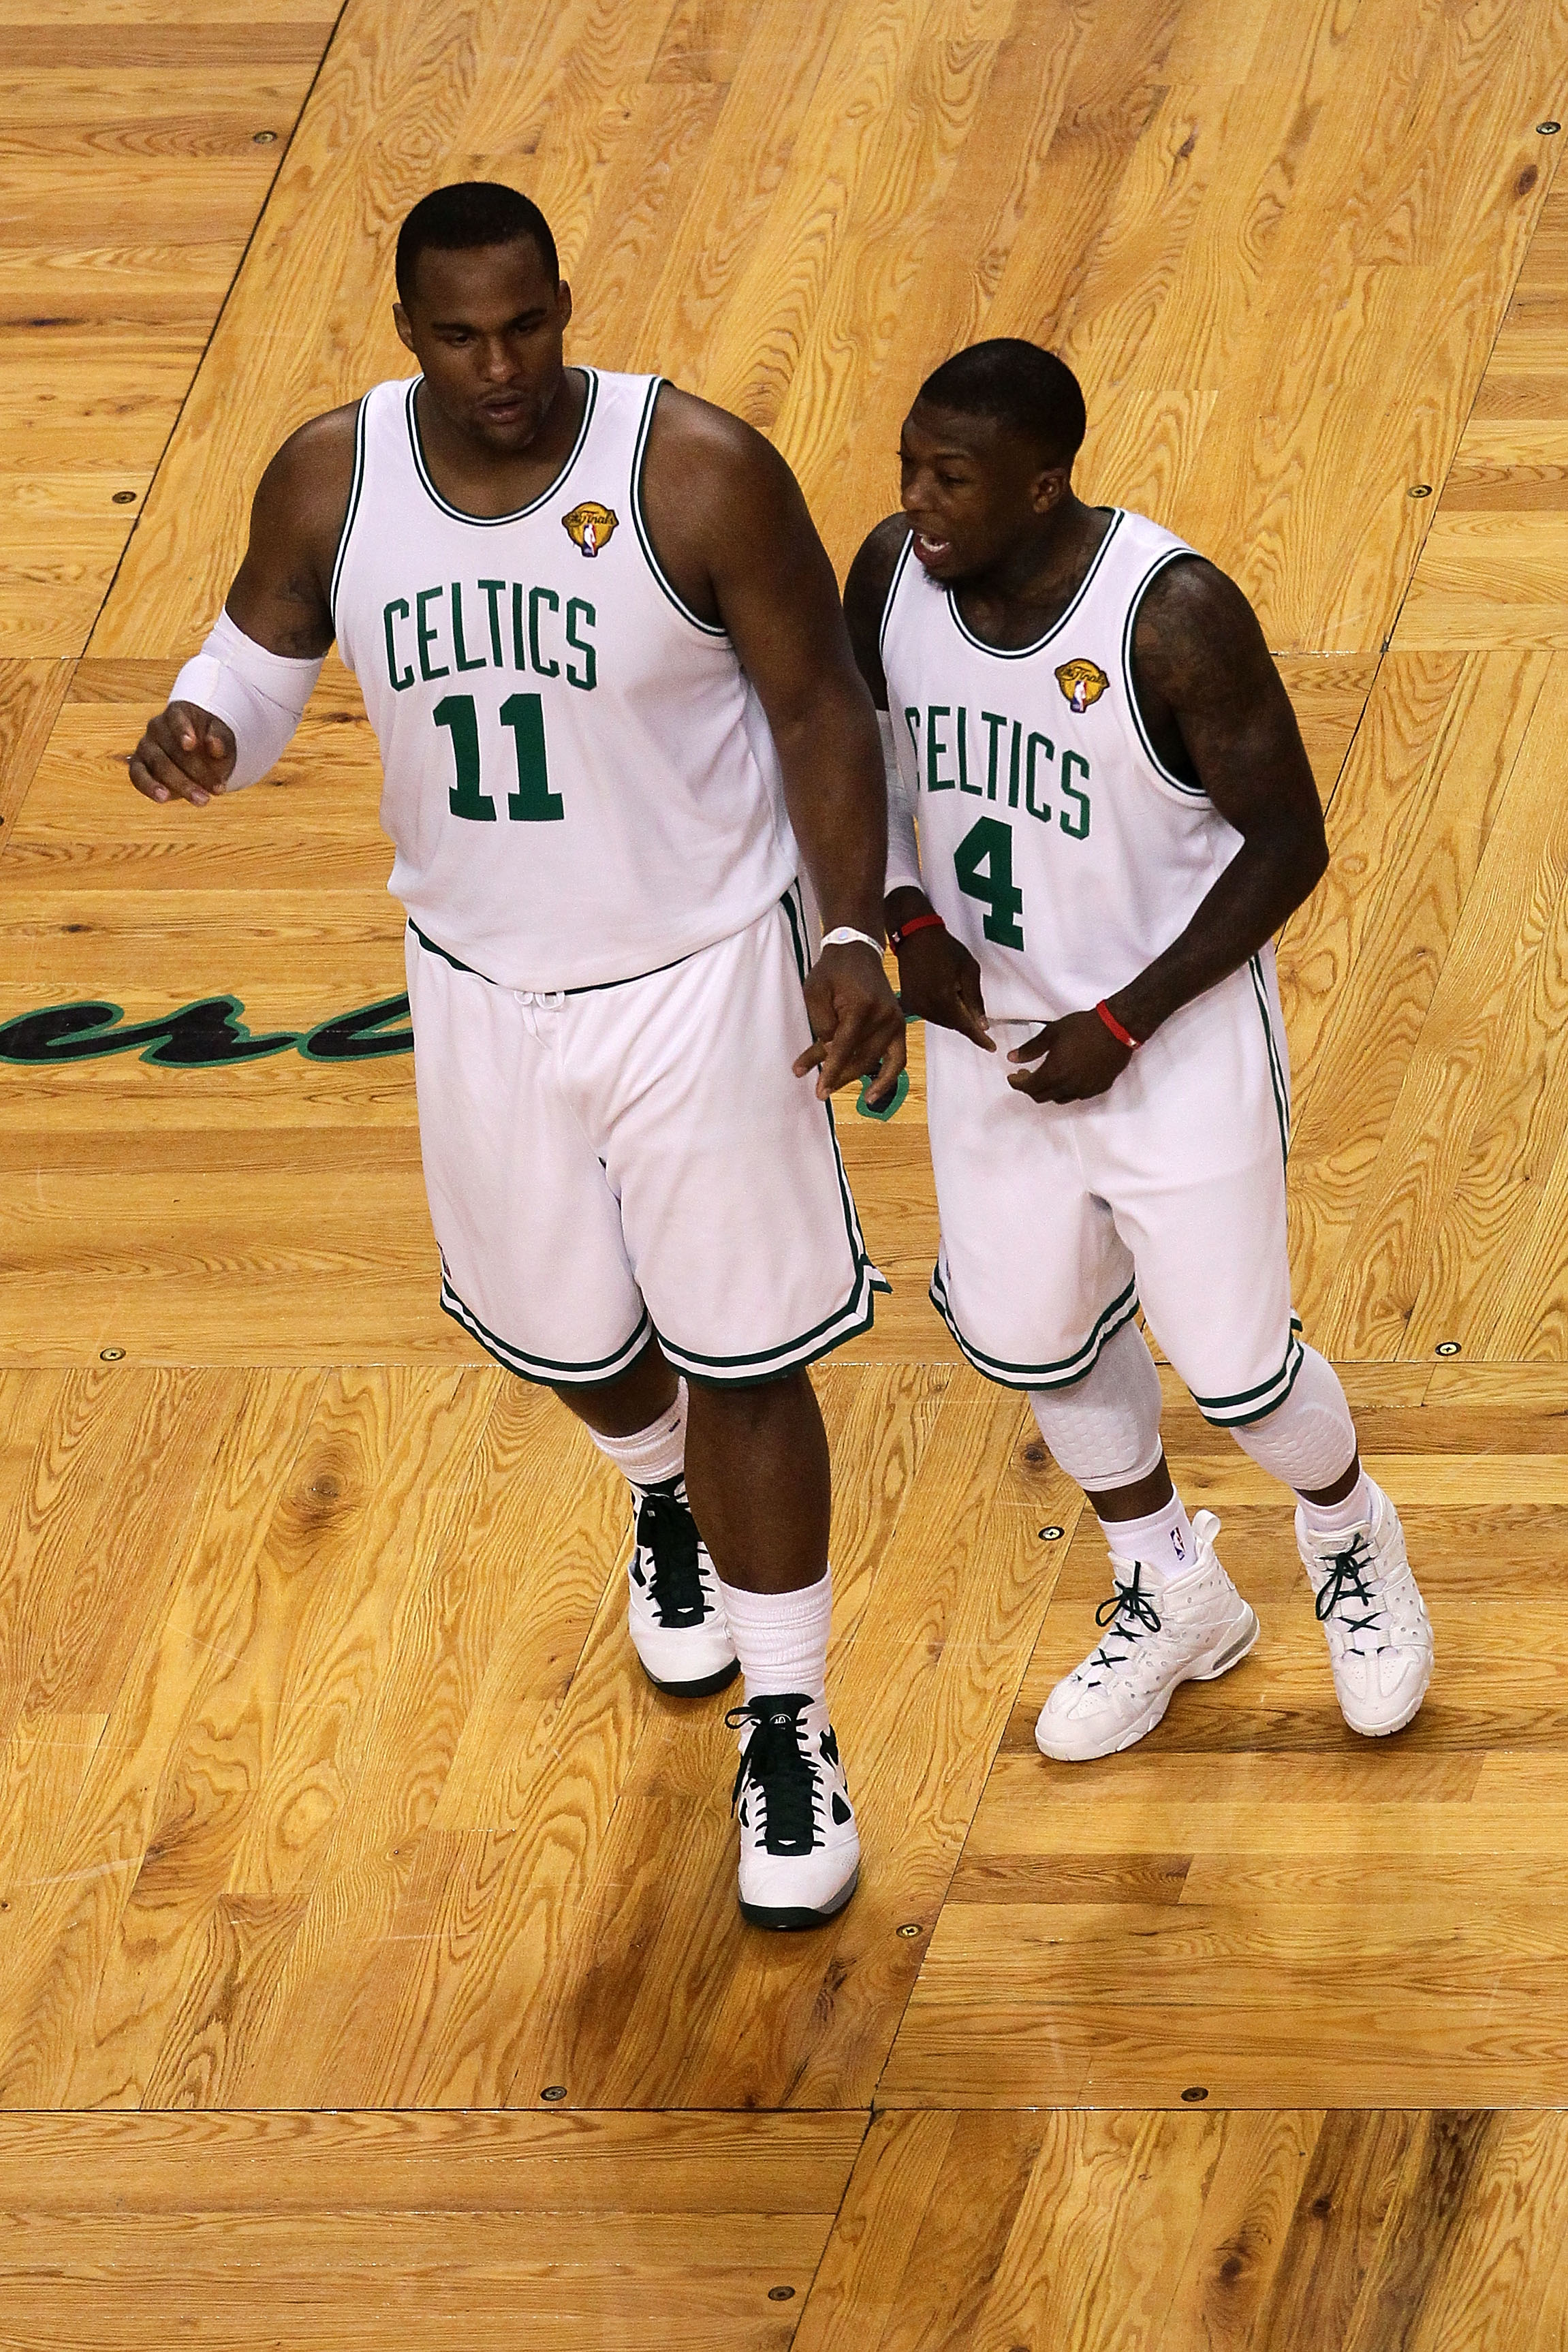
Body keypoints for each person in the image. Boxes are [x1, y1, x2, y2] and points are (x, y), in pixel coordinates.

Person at [127, 181, 906, 1928]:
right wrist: (204, 727)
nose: (502, 365)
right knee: (566, 1342)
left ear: (566, 301)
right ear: (407, 330)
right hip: (479, 981)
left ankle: (789, 1724)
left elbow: (817, 706)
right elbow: (257, 664)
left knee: (747, 1354)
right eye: (463, 335)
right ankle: (663, 1502)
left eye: (529, 324)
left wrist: (848, 928)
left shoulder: (694, 471)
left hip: (700, 974)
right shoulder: (332, 475)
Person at [843, 339, 1432, 1761]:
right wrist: (898, 911)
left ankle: (1352, 1540)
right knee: (1036, 1338)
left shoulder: (1168, 616)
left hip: (1165, 1031)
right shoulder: (887, 573)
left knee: (1234, 1364)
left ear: (1045, 486)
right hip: (996, 1037)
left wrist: (1123, 1019)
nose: (917, 499)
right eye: (910, 464)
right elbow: (850, 752)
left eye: (953, 476)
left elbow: (1289, 842)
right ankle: (1171, 1589)